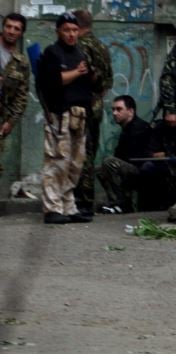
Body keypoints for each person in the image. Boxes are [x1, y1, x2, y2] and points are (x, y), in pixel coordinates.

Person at [37, 12, 92, 225]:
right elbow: (52, 82)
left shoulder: (80, 52)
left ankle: (68, 207)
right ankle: (52, 208)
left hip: (80, 114)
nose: (71, 34)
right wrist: (77, 73)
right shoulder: (52, 53)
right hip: (60, 114)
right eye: (67, 30)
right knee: (56, 161)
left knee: (74, 164)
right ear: (59, 31)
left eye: (74, 30)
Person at [71, 9, 112, 218]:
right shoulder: (101, 46)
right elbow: (108, 82)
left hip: (84, 103)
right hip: (97, 103)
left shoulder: (82, 46)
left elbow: (87, 76)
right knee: (90, 150)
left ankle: (83, 201)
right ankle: (85, 200)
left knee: (81, 153)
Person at [97, 95, 153, 214]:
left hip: (143, 172)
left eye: (119, 109)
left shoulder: (139, 128)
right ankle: (118, 203)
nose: (115, 113)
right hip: (132, 168)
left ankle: (121, 204)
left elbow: (133, 157)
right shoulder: (126, 129)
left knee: (109, 163)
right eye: (113, 110)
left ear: (131, 111)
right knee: (100, 169)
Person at [0, 12, 29, 182]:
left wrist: (10, 121)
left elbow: (21, 95)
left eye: (16, 29)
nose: (11, 31)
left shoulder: (21, 63)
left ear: (21, 33)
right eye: (8, 26)